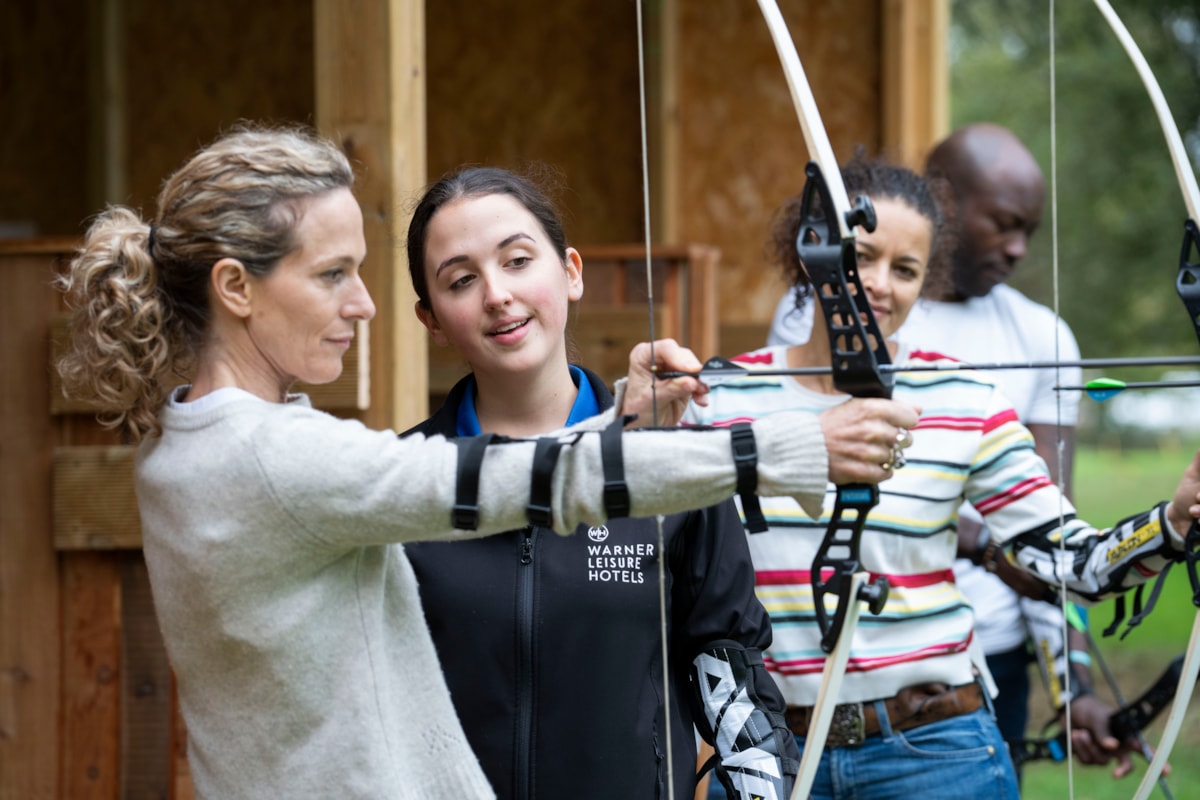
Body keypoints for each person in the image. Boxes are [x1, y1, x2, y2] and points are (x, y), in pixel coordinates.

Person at [54, 124, 922, 799]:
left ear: (570, 272)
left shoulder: (202, 443)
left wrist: (618, 429)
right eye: (333, 275)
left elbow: (522, 484)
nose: (361, 305)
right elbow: (504, 483)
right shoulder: (305, 465)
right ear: (237, 287)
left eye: (518, 261)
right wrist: (794, 445)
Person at [689, 156, 1200, 800]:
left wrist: (1173, 522)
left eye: (905, 270)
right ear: (811, 249)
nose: (879, 283)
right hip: (773, 755)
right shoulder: (720, 396)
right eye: (861, 255)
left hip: (936, 750)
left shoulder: (962, 397)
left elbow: (1076, 561)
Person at [400, 165, 802, 799]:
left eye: (518, 260)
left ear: (571, 272)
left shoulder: (672, 468)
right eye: (462, 279)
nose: (497, 294)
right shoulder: (398, 483)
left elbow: (735, 686)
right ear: (431, 317)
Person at [767, 124, 1116, 781]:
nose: (1016, 249)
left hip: (983, 661)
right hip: (827, 668)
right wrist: (977, 539)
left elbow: (1048, 532)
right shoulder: (825, 307)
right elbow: (803, 483)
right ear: (946, 203)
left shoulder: (1043, 333)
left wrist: (1077, 685)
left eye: (1029, 233)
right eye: (1005, 224)